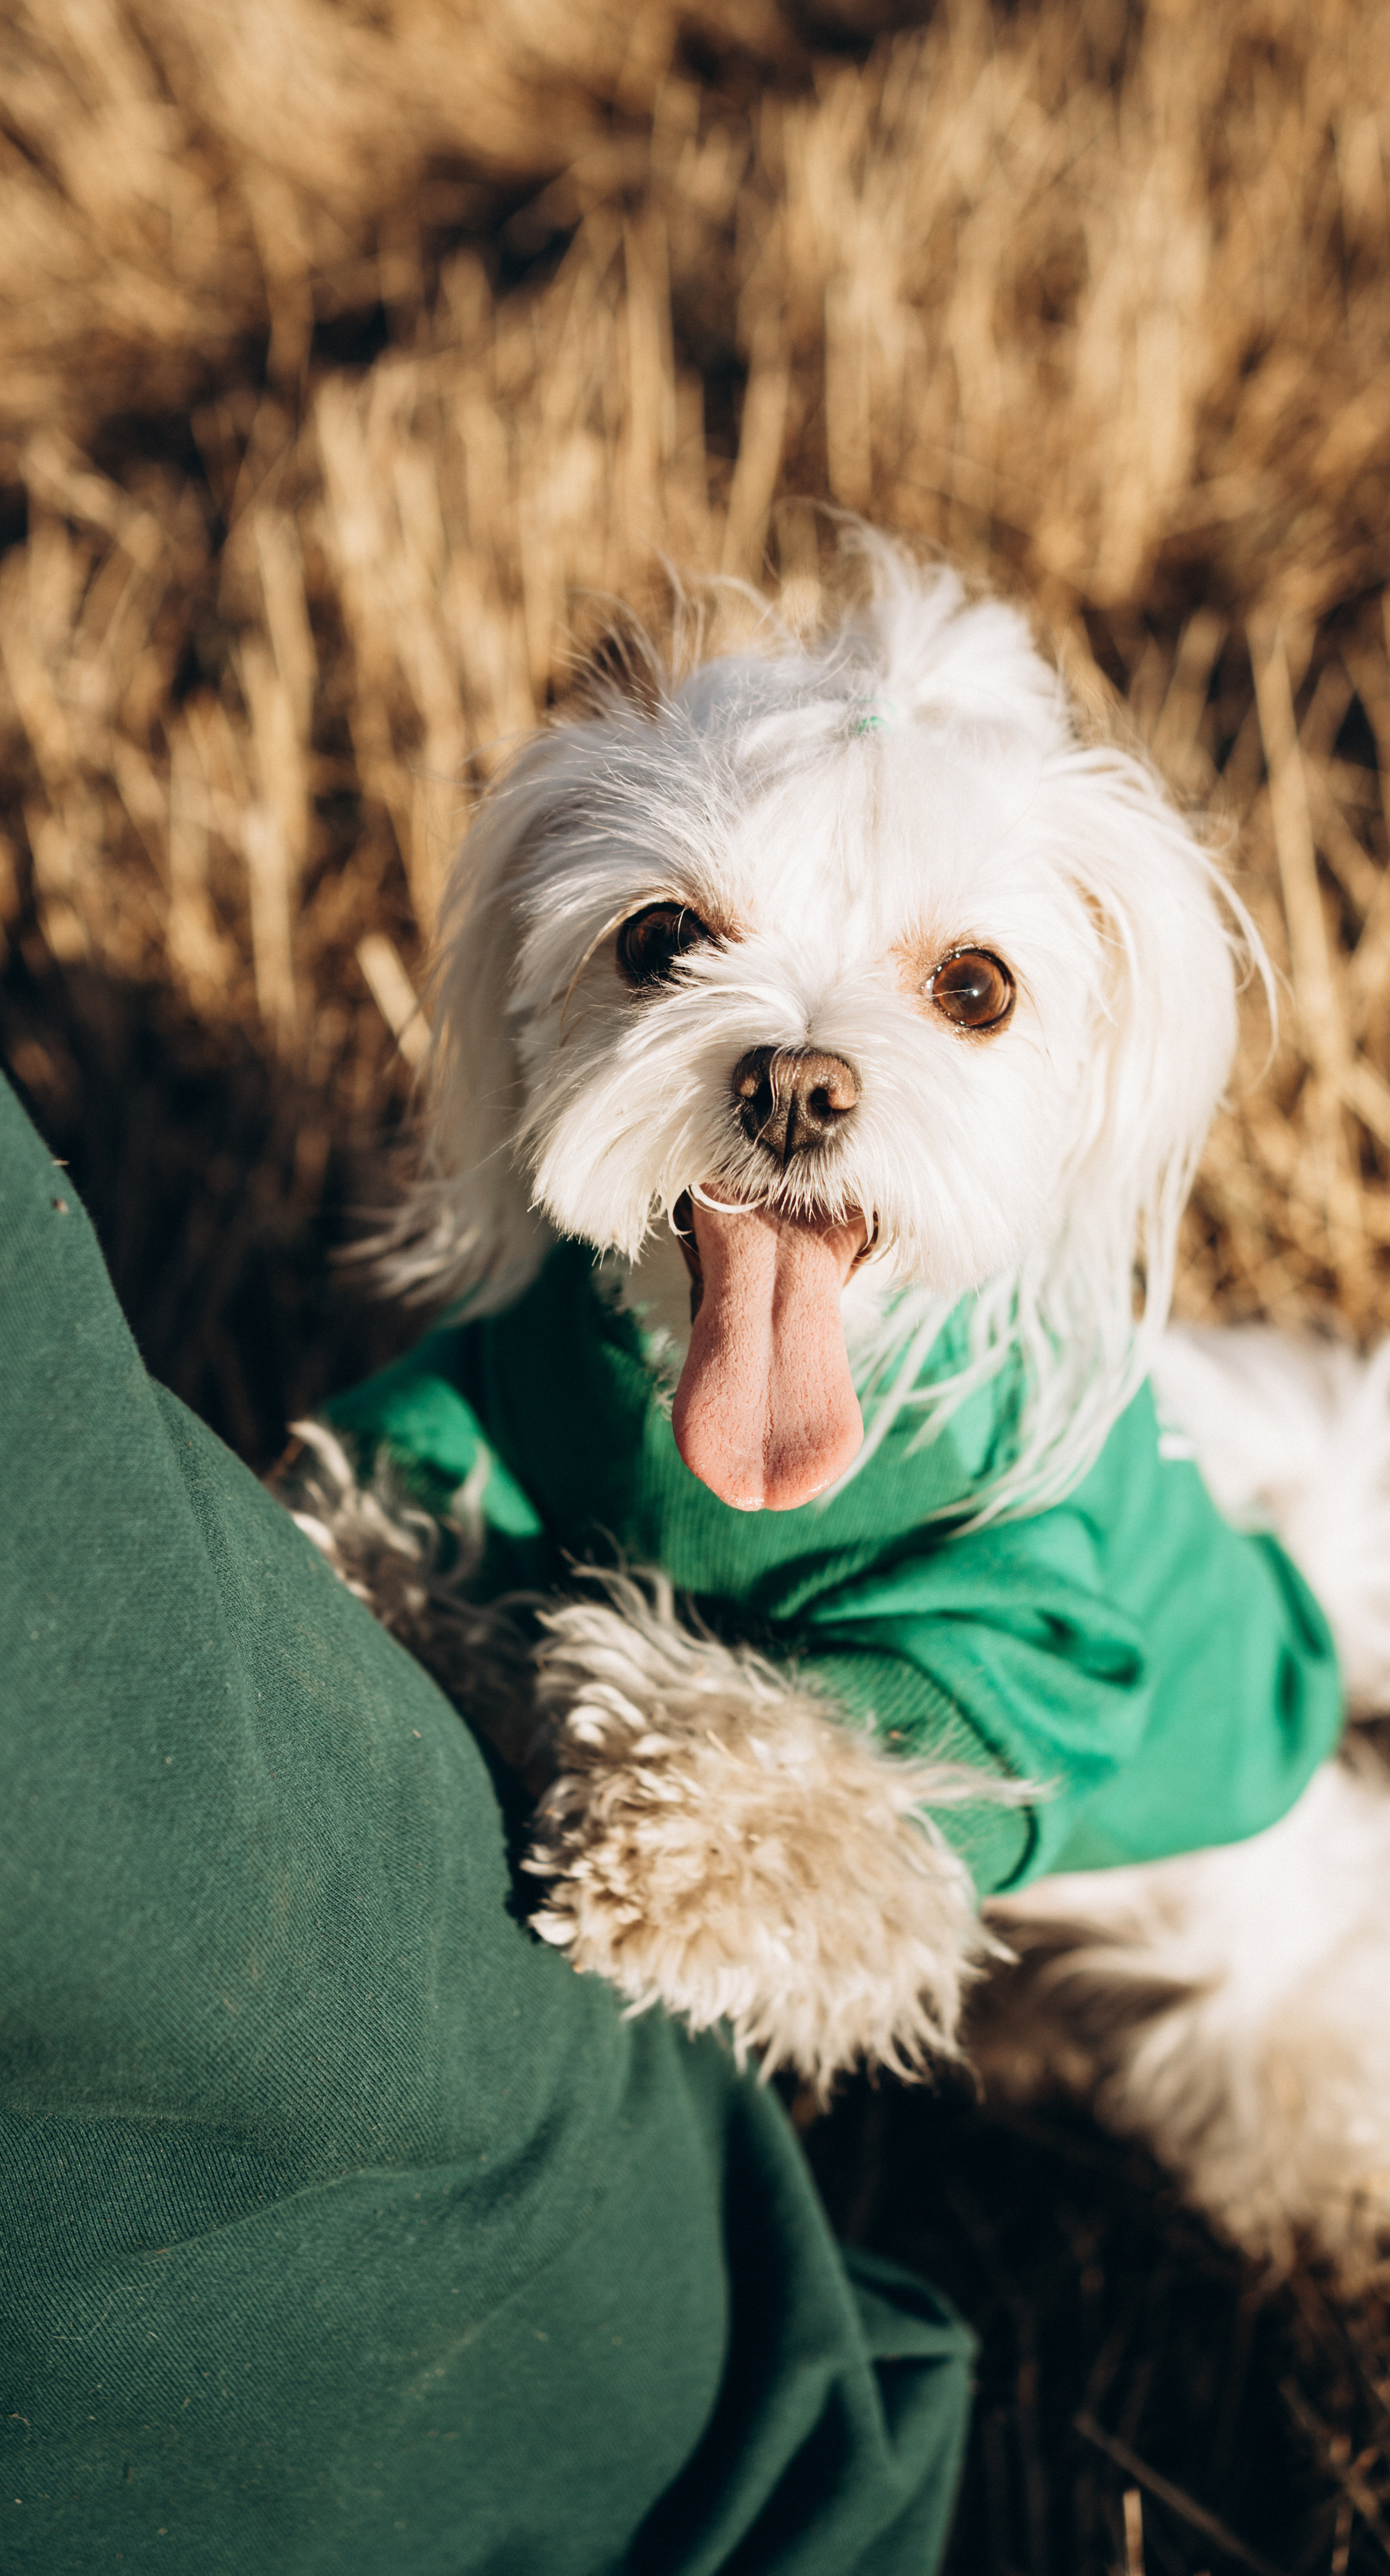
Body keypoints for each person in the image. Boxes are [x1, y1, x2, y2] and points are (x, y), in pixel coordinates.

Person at [0, 1071, 971, 2575]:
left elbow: (954, 1796)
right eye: (666, 946)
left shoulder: (1030, 1544)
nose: (796, 1069)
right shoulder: (519, 1370)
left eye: (964, 992)